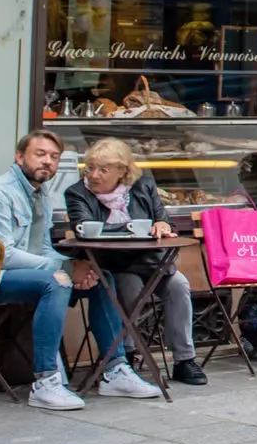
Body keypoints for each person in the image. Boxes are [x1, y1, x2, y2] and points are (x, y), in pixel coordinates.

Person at [0, 131, 155, 410]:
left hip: (23, 274)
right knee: (57, 280)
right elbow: (2, 254)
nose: (48, 162)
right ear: (19, 157)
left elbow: (42, 249)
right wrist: (65, 267)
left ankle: (115, 370)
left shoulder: (39, 195)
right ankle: (45, 382)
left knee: (102, 277)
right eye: (40, 154)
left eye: (54, 157)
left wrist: (79, 267)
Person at [62, 138, 206, 387]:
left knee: (179, 285)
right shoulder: (77, 193)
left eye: (103, 170)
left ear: (123, 171)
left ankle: (184, 360)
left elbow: (163, 221)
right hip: (112, 264)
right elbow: (84, 228)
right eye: (90, 168)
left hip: (151, 263)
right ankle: (122, 357)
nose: (94, 175)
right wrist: (138, 228)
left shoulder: (144, 186)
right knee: (127, 285)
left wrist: (161, 225)